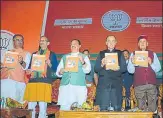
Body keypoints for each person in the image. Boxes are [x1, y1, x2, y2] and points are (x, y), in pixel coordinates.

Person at [24, 36, 58, 118]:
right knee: (31, 106)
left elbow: (56, 69)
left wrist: (50, 63)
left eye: (44, 40)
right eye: (40, 40)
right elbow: (29, 67)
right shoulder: (34, 54)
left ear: (48, 43)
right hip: (33, 81)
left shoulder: (52, 54)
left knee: (42, 106)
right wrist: (29, 71)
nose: (41, 42)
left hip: (44, 81)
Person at [127, 35, 161, 112]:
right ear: (138, 44)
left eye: (144, 41)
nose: (142, 43)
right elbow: (130, 71)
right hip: (139, 85)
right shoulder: (133, 54)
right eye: (140, 42)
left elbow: (158, 68)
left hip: (151, 84)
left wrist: (151, 63)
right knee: (141, 109)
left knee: (152, 109)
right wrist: (132, 63)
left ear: (147, 44)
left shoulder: (153, 54)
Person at [56, 39, 91, 110]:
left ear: (79, 46)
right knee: (64, 108)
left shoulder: (84, 56)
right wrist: (61, 71)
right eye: (72, 44)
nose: (73, 45)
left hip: (79, 86)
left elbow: (88, 70)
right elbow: (58, 72)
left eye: (75, 43)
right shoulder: (65, 57)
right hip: (66, 86)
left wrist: (83, 62)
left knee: (79, 108)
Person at [94, 35, 127, 111]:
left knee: (116, 109)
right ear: (106, 43)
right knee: (103, 108)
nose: (111, 43)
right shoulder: (101, 53)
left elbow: (124, 69)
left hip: (116, 84)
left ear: (115, 43)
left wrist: (118, 68)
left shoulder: (120, 53)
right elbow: (96, 69)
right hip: (104, 84)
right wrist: (102, 64)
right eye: (109, 41)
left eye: (113, 41)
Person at [1, 34, 31, 103]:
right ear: (13, 41)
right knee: (2, 104)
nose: (20, 41)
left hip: (16, 82)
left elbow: (25, 67)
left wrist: (21, 61)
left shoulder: (26, 53)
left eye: (21, 40)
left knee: (14, 105)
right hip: (4, 80)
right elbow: (2, 64)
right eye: (17, 40)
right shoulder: (6, 53)